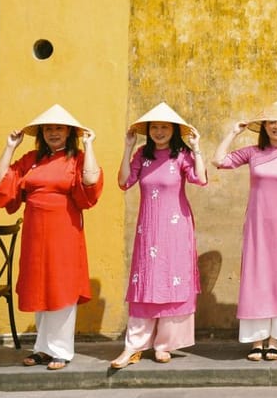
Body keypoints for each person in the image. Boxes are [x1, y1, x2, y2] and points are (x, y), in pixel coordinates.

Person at [0, 104, 103, 371]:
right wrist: (10, 147)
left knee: (61, 287)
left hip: (65, 230)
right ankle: (42, 348)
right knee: (40, 287)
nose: (53, 133)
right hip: (34, 231)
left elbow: (91, 182)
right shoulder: (31, 159)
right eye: (49, 128)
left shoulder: (76, 159)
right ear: (41, 133)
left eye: (59, 128)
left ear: (69, 132)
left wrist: (89, 145)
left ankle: (61, 350)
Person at [211, 102, 277, 362]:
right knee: (257, 276)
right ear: (265, 127)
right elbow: (218, 161)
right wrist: (233, 132)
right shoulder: (252, 153)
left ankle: (274, 340)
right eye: (272, 122)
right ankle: (256, 341)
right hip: (257, 225)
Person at [110, 102, 208, 369]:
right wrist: (128, 147)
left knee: (173, 278)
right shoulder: (143, 155)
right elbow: (123, 182)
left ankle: (165, 344)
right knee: (147, 279)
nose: (159, 131)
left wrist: (197, 149)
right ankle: (134, 345)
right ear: (148, 130)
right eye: (155, 127)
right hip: (149, 229)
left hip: (177, 229)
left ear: (174, 130)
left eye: (165, 127)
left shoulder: (182, 155)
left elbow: (201, 179)